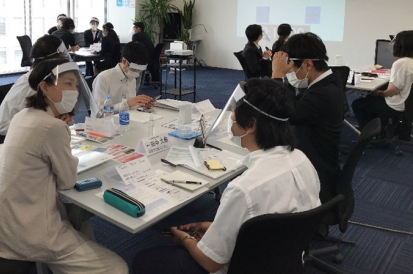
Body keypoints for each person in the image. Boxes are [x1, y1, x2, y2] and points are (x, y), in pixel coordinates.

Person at [132, 78, 321, 274]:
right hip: (286, 258)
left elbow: (211, 262)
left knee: (144, 259)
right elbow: (274, 223)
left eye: (234, 115)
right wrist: (215, 226)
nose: (230, 119)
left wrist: (185, 239)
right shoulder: (303, 160)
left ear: (251, 125)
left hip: (242, 267)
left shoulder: (244, 188)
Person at [0, 58, 127, 274]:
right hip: (28, 231)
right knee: (118, 267)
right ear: (45, 87)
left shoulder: (22, 115)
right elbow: (67, 181)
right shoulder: (52, 127)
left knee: (78, 217)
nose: (74, 91)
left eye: (75, 85)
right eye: (67, 83)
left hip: (2, 220)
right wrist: (61, 131)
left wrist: (58, 125)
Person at [272, 32, 344, 203]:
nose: (290, 74)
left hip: (315, 171)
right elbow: (295, 102)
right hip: (319, 155)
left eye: (292, 70)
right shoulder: (329, 81)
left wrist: (277, 76)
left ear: (308, 64)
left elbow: (286, 112)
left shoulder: (323, 93)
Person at [0, 35, 70, 145]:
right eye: (64, 54)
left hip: (22, 132)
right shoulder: (40, 82)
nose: (66, 58)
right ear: (56, 58)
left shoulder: (37, 76)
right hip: (6, 138)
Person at [352, 30, 413, 131]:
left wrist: (380, 93)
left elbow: (393, 91)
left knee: (358, 104)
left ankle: (368, 134)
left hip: (399, 106)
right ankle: (379, 129)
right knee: (372, 100)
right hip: (409, 105)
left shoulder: (402, 63)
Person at [92, 41, 154, 114]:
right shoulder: (104, 78)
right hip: (106, 120)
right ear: (124, 61)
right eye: (134, 69)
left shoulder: (132, 79)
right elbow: (99, 111)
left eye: (140, 71)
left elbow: (131, 106)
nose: (137, 74)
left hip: (126, 118)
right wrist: (126, 104)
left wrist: (141, 104)